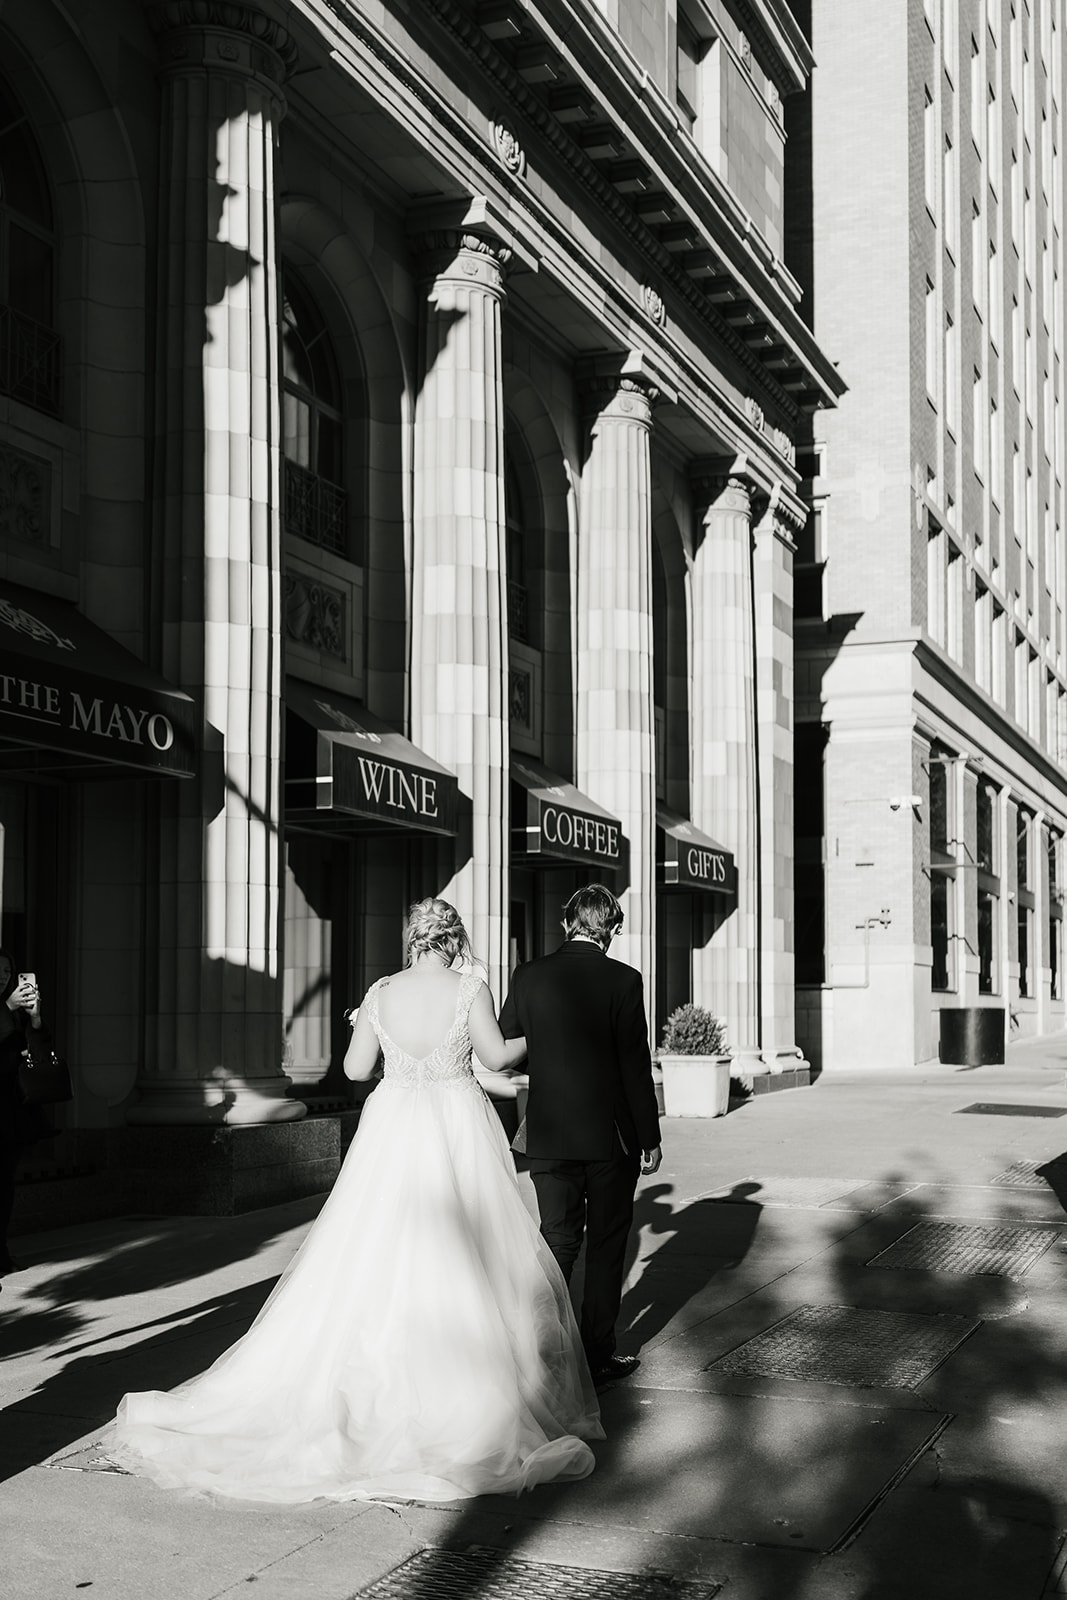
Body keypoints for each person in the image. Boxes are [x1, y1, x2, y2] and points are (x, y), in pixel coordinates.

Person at [108, 897, 603, 1504]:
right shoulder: (469, 988)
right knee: (470, 1255)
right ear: (452, 940)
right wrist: (541, 1034)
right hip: (454, 1123)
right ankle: (463, 1386)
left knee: (372, 1249)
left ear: (414, 940)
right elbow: (497, 1058)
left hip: (392, 1126)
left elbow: (354, 1067)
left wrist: (363, 1028)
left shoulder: (379, 992)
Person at [499, 884, 662, 1388]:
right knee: (609, 1245)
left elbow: (509, 1044)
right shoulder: (624, 980)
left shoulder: (528, 976)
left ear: (567, 921)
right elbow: (636, 1067)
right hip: (611, 1138)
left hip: (548, 1133)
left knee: (558, 1242)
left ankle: (542, 1353)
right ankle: (596, 1355)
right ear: (610, 927)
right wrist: (650, 1135)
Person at [0, 953, 51, 1285]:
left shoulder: (16, 1012)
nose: (3, 976)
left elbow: (41, 1053)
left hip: (10, 1111)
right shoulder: (4, 1009)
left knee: (5, 1185)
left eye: (7, 971)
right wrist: (5, 1008)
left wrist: (34, 1018)